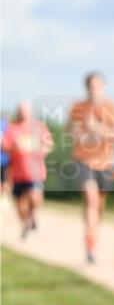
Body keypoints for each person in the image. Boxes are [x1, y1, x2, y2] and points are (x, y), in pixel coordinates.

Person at [68, 71, 114, 263]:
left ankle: (93, 234)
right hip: (84, 161)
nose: (94, 90)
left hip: (105, 162)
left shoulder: (113, 108)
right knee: (91, 201)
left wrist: (95, 129)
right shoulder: (78, 108)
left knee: (99, 207)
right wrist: (81, 133)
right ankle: (90, 247)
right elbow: (73, 131)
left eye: (97, 86)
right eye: (90, 86)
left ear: (103, 87)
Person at [2, 101, 54, 239]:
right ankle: (26, 223)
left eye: (26, 110)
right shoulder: (12, 128)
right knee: (20, 203)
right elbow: (5, 147)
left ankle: (32, 215)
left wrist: (40, 149)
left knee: (35, 196)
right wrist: (15, 147)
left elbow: (48, 144)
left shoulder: (39, 126)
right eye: (21, 110)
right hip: (17, 173)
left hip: (35, 171)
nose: (23, 113)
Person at [1, 114, 10, 199]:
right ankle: (5, 198)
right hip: (5, 159)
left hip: (4, 158)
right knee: (5, 180)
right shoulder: (8, 126)